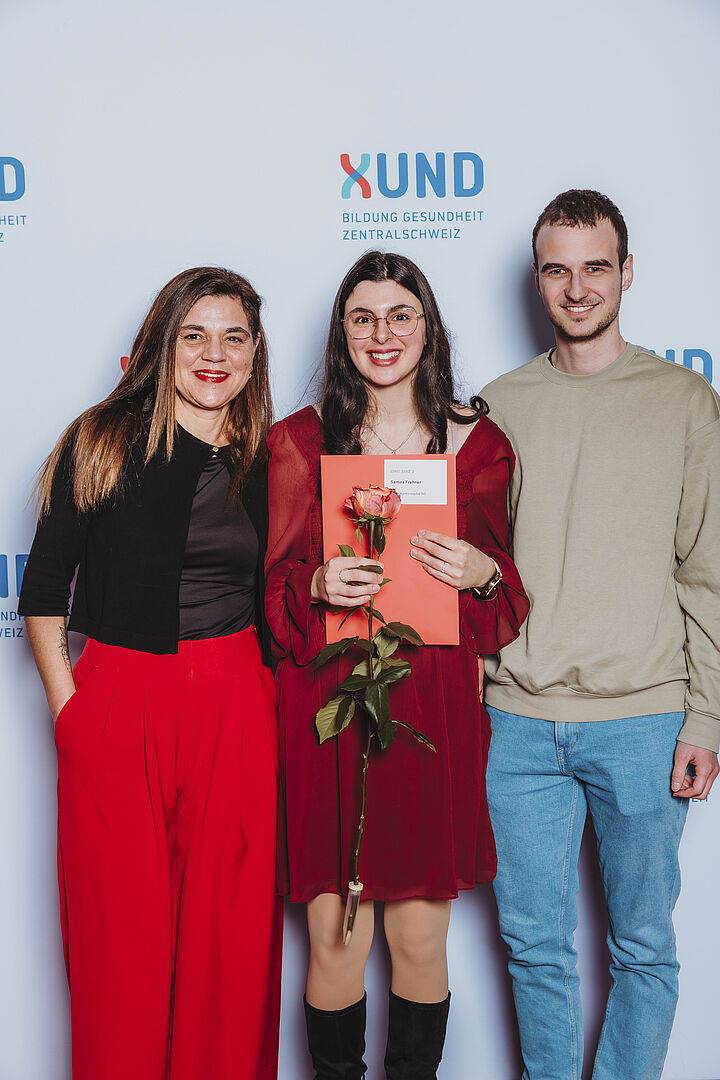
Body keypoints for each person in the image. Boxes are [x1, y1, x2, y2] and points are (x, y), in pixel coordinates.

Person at [265, 250, 529, 1078]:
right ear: (341, 332)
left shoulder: (478, 444)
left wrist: (482, 572)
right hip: (329, 709)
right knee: (335, 938)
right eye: (363, 318)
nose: (382, 334)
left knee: (419, 937)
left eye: (400, 315)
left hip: (430, 711)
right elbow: (267, 592)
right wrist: (314, 582)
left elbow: (502, 599)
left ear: (428, 326)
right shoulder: (297, 443)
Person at [18, 267, 282, 1080]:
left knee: (229, 944)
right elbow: (43, 591)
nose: (214, 354)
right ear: (163, 346)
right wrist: (71, 714)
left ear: (255, 352)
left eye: (233, 337)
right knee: (119, 947)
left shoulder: (270, 458)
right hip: (119, 704)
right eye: (194, 335)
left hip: (237, 707)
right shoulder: (100, 441)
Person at [481, 190, 720, 1080]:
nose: (577, 288)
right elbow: (475, 572)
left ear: (626, 273)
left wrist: (706, 719)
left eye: (595, 268)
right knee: (533, 948)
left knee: (644, 948)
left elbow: (708, 573)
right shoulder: (495, 407)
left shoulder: (685, 401)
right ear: (536, 279)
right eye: (558, 269)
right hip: (515, 721)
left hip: (645, 719)